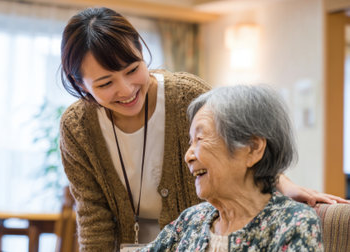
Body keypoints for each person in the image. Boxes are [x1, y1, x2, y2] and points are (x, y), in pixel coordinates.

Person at [59, 7, 345, 251]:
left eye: (133, 69)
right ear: (80, 83)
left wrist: (285, 185)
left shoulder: (188, 96)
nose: (126, 90)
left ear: (141, 50)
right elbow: (93, 215)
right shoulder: (77, 128)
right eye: (105, 83)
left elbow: (239, 138)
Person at [139, 85, 324, 251]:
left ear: (252, 149)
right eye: (190, 142)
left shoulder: (292, 224)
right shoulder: (192, 220)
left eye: (200, 139)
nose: (188, 156)